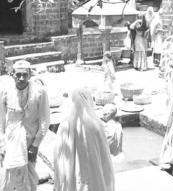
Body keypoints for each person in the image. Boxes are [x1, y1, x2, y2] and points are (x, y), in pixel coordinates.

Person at [0, 60, 50, 191]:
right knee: (9, 174)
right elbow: (1, 120)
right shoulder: (5, 91)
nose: (21, 78)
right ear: (12, 75)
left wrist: (35, 144)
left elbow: (45, 120)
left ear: (30, 75)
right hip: (11, 140)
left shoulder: (40, 92)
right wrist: (2, 144)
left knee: (29, 176)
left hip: (30, 141)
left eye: (25, 75)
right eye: (18, 75)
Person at [54, 86, 114, 191]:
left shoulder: (65, 124)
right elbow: (104, 155)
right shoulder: (96, 123)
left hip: (72, 177)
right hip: (95, 175)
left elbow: (59, 156)